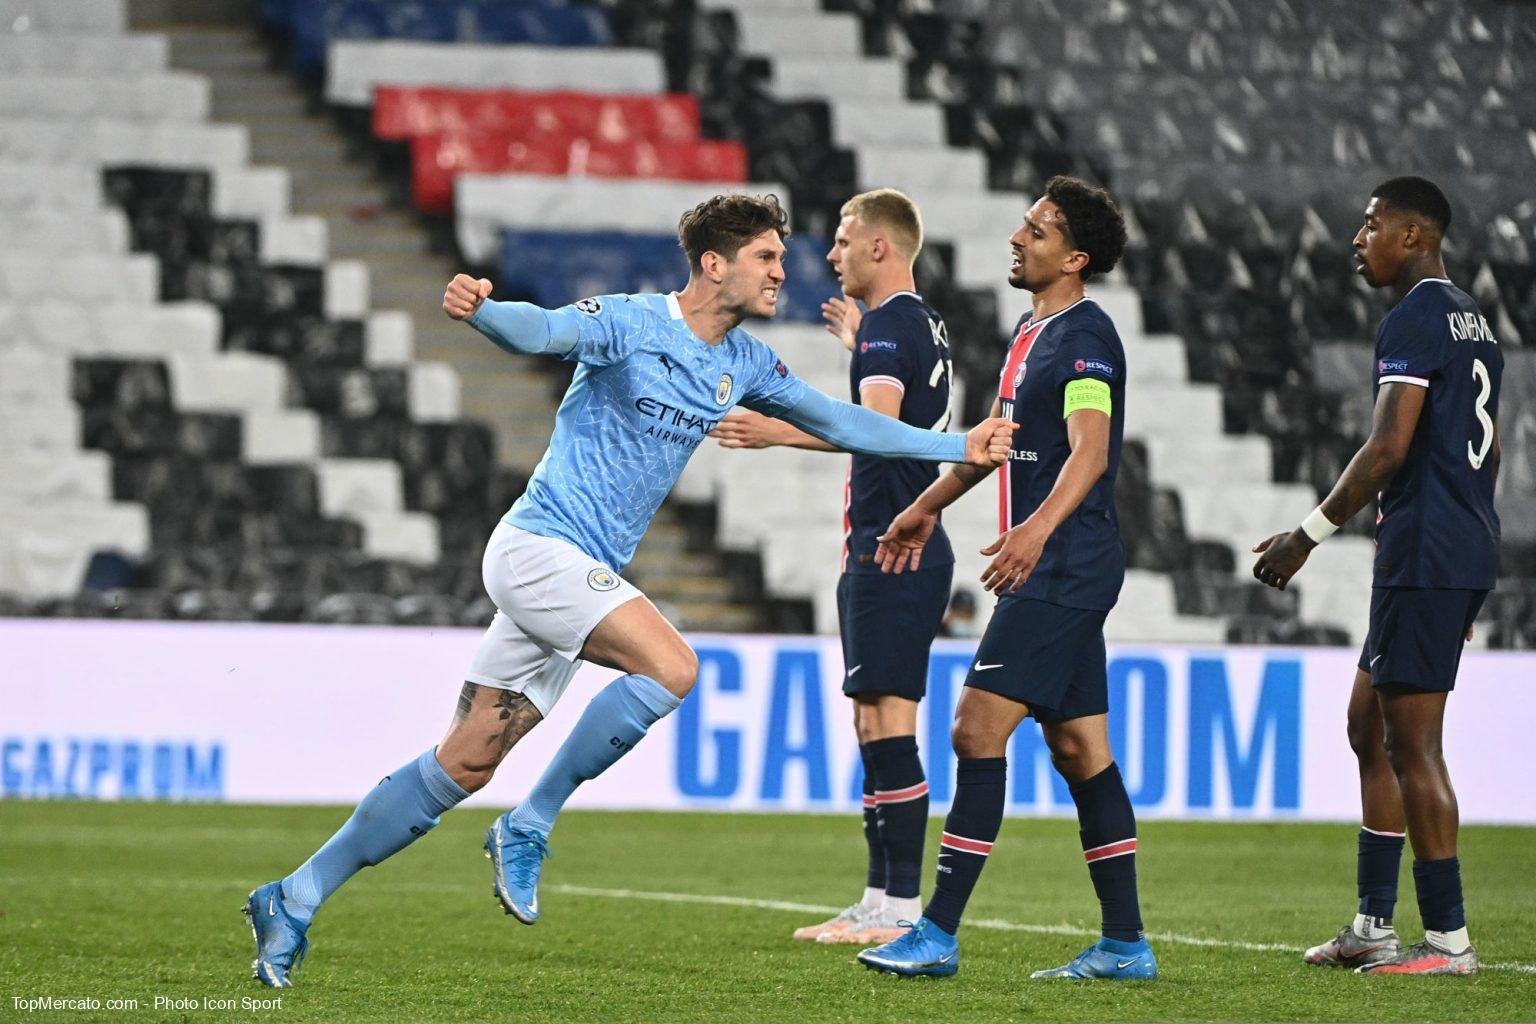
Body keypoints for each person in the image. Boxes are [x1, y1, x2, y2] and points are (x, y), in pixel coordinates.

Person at [242, 193, 1017, 988]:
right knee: (672, 667)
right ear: (715, 265)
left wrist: (954, 443)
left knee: (465, 761)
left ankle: (294, 897)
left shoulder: (745, 363)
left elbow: (842, 423)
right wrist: (483, 311)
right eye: (766, 258)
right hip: (538, 548)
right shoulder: (630, 323)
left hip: (579, 576)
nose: (785, 271)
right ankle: (530, 823)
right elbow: (542, 330)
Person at [856, 176, 1157, 981]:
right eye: (1024, 225)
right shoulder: (1032, 334)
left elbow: (1089, 452)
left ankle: (938, 932)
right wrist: (925, 506)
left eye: (1039, 230)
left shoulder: (1087, 339)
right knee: (1079, 746)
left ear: (1076, 257)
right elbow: (995, 447)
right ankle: (1126, 944)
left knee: (974, 731)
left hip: (1064, 566)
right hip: (1060, 564)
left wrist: (1033, 529)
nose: (1019, 238)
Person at [1252, 176, 1500, 976]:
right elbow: (1481, 450)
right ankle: (1371, 924)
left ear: (1416, 236)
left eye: (1372, 225)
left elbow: (1389, 446)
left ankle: (1449, 943)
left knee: (1412, 743)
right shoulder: (1474, 320)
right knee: (1369, 726)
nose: (1358, 239)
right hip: (1448, 546)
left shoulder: (1418, 314)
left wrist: (1307, 535)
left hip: (1428, 550)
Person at [710, 189, 954, 946]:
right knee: (870, 722)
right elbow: (907, 415)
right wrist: (859, 347)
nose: (831, 254)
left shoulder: (889, 327)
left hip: (894, 545)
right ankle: (877, 899)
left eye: (845, 240)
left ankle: (899, 910)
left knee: (888, 726)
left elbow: (879, 432)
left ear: (881, 247)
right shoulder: (919, 323)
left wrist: (781, 431)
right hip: (891, 544)